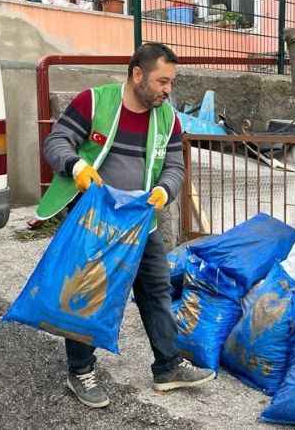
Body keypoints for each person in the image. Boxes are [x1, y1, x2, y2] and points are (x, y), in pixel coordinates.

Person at [38, 43, 215, 408]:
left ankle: (167, 367)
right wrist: (76, 167)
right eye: (161, 81)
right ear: (137, 74)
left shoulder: (169, 119)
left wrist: (166, 190)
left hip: (140, 221)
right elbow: (56, 141)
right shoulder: (94, 102)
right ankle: (81, 371)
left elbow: (174, 166)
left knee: (156, 291)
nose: (168, 89)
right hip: (96, 221)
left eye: (172, 82)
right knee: (86, 294)